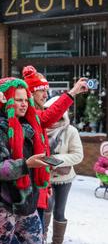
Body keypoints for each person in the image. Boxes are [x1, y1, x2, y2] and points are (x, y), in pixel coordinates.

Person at [0, 77, 50, 244]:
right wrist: (26, 165)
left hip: (27, 205)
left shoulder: (28, 126)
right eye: (19, 100)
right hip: (1, 207)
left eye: (26, 99)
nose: (24, 104)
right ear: (5, 99)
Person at [22, 65, 88, 234]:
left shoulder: (66, 129)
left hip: (46, 184)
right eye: (41, 90)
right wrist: (72, 92)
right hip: (29, 191)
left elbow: (77, 155)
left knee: (55, 215)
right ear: (30, 93)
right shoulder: (29, 116)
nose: (46, 95)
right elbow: (50, 116)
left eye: (47, 90)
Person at [43, 96, 84, 244]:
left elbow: (78, 155)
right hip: (43, 177)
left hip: (63, 179)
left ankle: (57, 242)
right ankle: (40, 239)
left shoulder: (70, 131)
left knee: (59, 212)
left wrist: (53, 160)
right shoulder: (40, 128)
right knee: (45, 210)